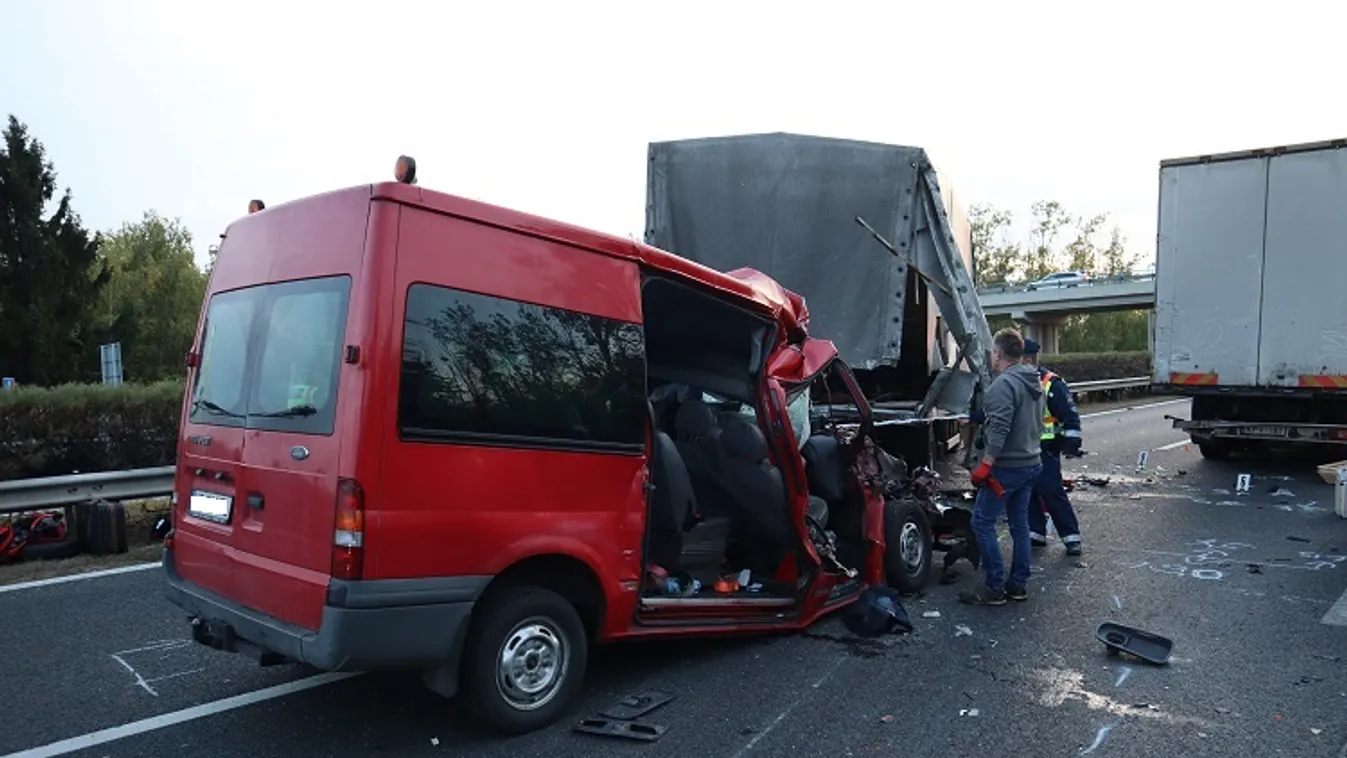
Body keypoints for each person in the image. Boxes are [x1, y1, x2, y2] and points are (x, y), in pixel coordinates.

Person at [959, 328, 1045, 606]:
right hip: (1032, 462)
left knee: (982, 522)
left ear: (997, 353)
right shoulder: (1034, 380)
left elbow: (999, 428)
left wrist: (986, 464)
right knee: (1019, 523)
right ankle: (1018, 585)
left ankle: (994, 586)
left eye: (992, 353)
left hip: (1007, 467)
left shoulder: (1002, 385)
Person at [1022, 339, 1085, 556]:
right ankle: (1035, 533)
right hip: (1024, 449)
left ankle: (1071, 537)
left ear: (1028, 359)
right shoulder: (1015, 381)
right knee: (1028, 490)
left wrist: (1071, 442)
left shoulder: (1051, 383)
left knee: (1051, 490)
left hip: (1046, 449)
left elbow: (1070, 415)